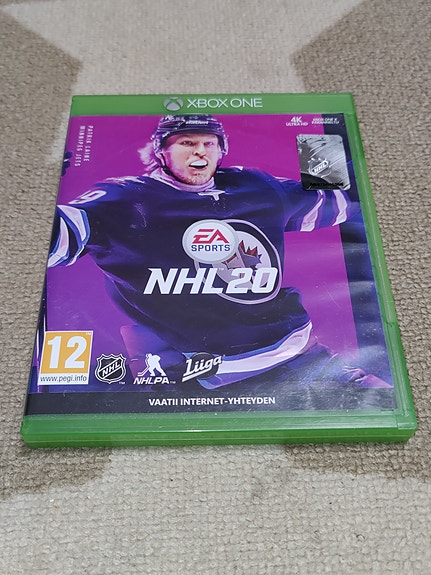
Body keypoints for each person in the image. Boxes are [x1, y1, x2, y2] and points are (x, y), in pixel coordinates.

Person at [49, 114, 391, 392]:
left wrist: (321, 130)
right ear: (161, 152)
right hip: (194, 377)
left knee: (385, 401)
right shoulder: (124, 199)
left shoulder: (255, 187)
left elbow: (338, 201)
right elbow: (64, 235)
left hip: (303, 357)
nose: (199, 152)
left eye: (209, 143)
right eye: (186, 143)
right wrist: (48, 193)